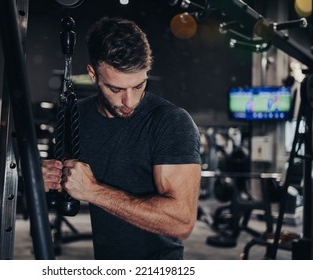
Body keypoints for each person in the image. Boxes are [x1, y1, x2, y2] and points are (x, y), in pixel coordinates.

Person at [42, 16, 201, 260]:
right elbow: (66, 174)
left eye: (139, 86)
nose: (130, 101)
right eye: (116, 89)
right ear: (93, 75)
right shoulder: (76, 116)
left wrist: (94, 191)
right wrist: (48, 177)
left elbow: (181, 223)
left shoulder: (170, 122)